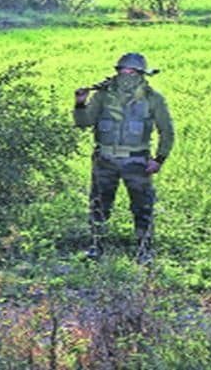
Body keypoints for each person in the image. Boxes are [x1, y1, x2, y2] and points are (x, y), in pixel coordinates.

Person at [73, 52, 174, 265]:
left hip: (137, 162)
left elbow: (167, 131)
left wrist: (159, 159)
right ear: (117, 72)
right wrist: (80, 104)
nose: (126, 75)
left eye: (132, 72)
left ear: (141, 74)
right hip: (105, 160)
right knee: (99, 205)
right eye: (122, 71)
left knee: (142, 208)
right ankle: (96, 247)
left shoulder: (153, 98)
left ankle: (144, 251)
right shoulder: (102, 96)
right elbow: (84, 123)